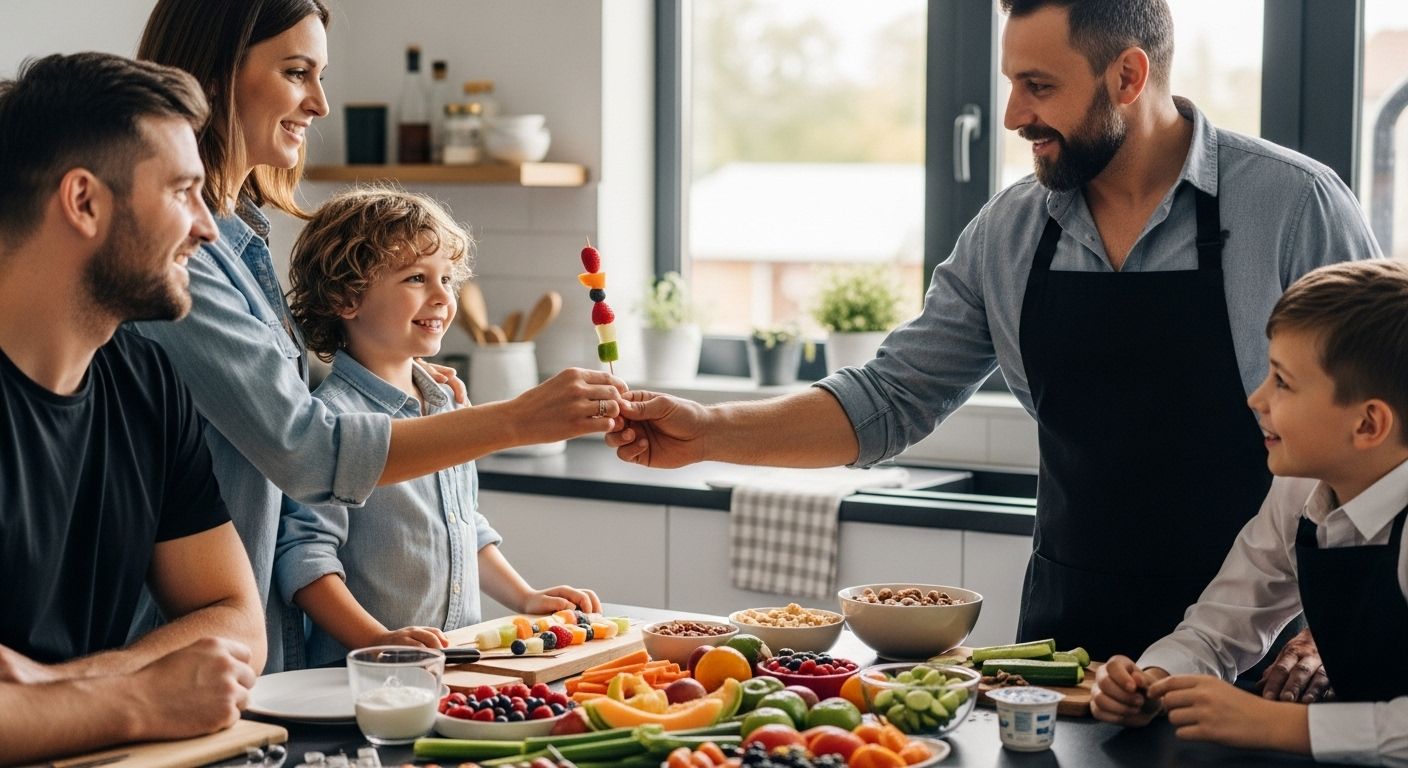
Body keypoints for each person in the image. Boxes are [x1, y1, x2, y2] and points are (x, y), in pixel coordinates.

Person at [609, 0, 1380, 678]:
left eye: (1039, 86)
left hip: (1269, 648)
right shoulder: (1010, 232)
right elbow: (887, 399)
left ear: (1128, 76)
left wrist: (1324, 621)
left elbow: (1383, 427)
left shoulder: (1293, 205)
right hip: (1063, 649)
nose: (1012, 115)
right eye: (1012, 82)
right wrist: (706, 431)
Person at [132, 0, 626, 672]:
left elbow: (266, 399)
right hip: (196, 658)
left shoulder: (242, 241)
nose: (320, 105)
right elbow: (304, 448)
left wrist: (398, 382)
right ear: (215, 75)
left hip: (260, 657)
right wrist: (512, 420)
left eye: (320, 76)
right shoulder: (178, 255)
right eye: (298, 73)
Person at [0, 52, 265, 762]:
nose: (208, 229)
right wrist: (142, 696)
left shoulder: (145, 380)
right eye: (183, 191)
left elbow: (235, 620)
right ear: (83, 201)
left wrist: (52, 691)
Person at [1089, 260, 1408, 763]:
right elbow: (1220, 629)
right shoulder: (1299, 490)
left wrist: (1276, 724)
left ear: (1368, 424)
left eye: (1282, 381)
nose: (1256, 397)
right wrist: (1153, 682)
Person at [274, 187, 601, 666]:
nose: (443, 297)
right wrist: (377, 639)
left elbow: (464, 526)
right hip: (360, 677)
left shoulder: (447, 404)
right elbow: (305, 561)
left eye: (447, 278)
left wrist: (526, 598)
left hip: (455, 666)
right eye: (415, 278)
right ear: (348, 297)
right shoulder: (331, 425)